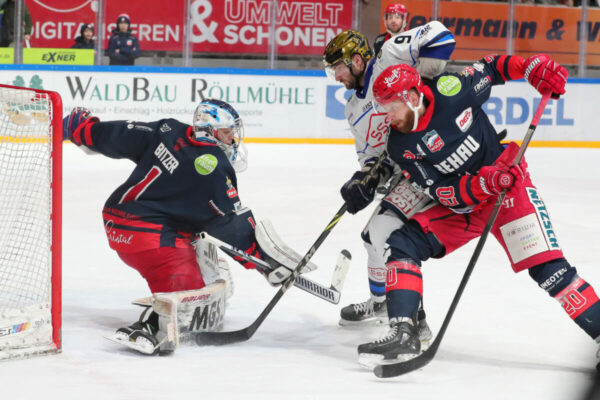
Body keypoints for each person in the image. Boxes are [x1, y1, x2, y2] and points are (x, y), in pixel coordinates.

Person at [358, 53, 600, 366]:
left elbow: (493, 67)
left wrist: (530, 67)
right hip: (467, 206)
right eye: (384, 108)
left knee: (549, 270)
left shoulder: (452, 90)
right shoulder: (400, 146)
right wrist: (480, 185)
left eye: (392, 107)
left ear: (413, 97)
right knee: (402, 243)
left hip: (509, 191)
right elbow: (442, 191)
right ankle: (404, 331)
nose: (388, 116)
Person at [62, 99, 302, 355]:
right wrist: (265, 263)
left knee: (197, 230)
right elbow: (230, 225)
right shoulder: (213, 168)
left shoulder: (169, 130)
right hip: (146, 236)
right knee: (190, 300)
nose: (232, 140)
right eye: (226, 132)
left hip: (122, 218)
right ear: (209, 131)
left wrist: (82, 129)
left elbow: (119, 135)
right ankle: (153, 325)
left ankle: (205, 272)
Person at [322, 24, 454, 349]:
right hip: (402, 171)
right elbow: (370, 155)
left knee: (389, 237)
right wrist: (365, 179)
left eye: (338, 68)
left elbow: (441, 38)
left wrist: (426, 84)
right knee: (372, 236)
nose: (337, 77)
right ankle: (381, 302)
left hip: (429, 162)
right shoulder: (352, 109)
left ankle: (414, 319)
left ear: (356, 60)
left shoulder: (388, 57)